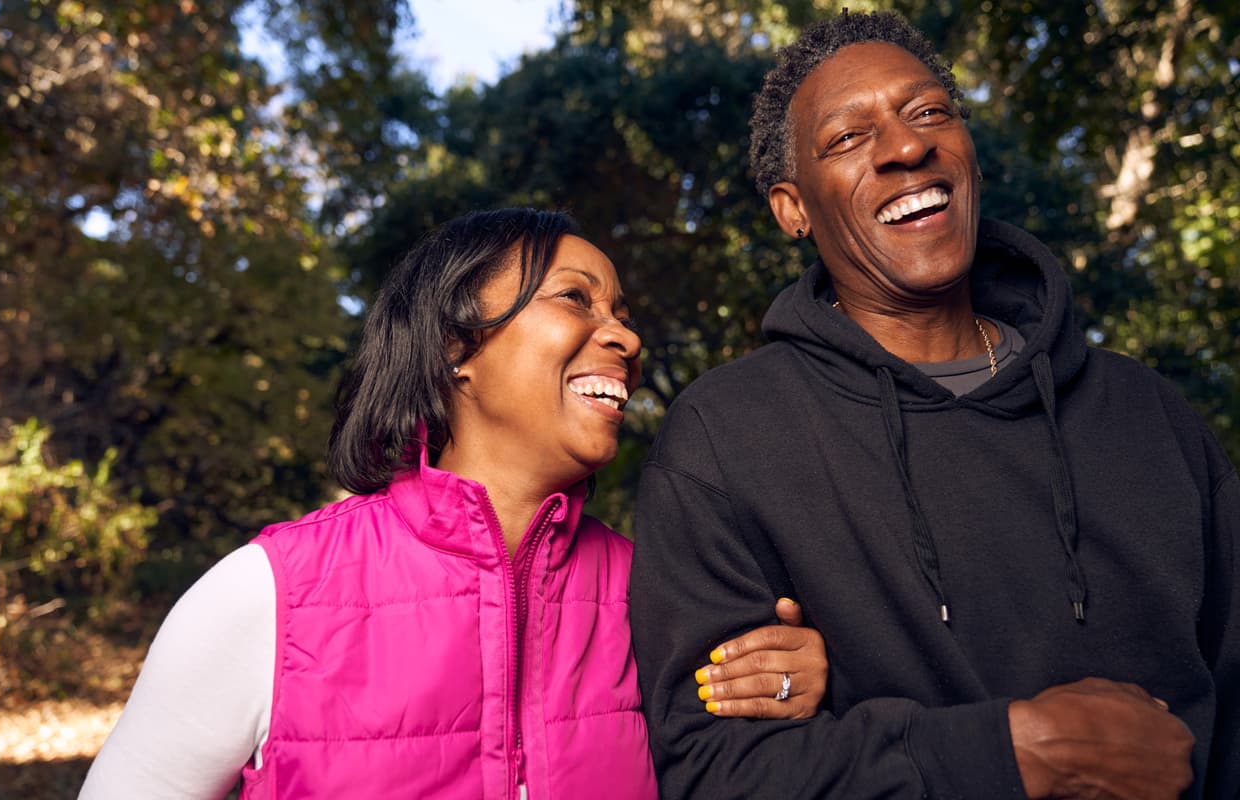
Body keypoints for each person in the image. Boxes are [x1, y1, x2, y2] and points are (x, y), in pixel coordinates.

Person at [630, 10, 1237, 799]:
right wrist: (1010, 753)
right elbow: (714, 772)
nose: (907, 147)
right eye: (848, 138)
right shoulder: (727, 440)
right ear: (794, 209)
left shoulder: (1146, 413)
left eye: (928, 113)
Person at [79, 209, 829, 799]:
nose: (626, 336)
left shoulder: (657, 590)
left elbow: (733, 764)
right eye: (576, 297)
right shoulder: (266, 595)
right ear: (453, 346)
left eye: (623, 312)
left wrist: (792, 687)